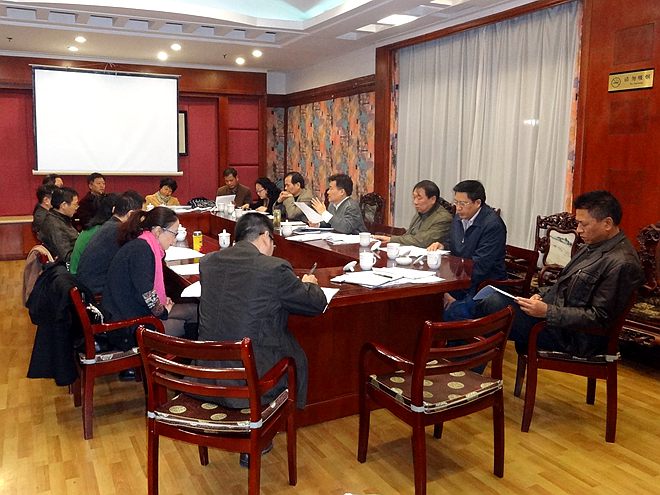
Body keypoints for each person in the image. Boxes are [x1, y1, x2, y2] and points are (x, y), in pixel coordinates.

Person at [476, 190, 645, 358]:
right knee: (489, 298)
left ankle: (467, 366)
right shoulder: (592, 246)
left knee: (492, 305)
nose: (578, 230)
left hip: (576, 337)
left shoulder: (623, 263)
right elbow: (562, 284)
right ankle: (469, 367)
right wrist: (540, 296)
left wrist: (547, 311)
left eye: (583, 224)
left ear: (607, 223)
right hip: (556, 322)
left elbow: (600, 318)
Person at [197, 213, 326, 408]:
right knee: (295, 357)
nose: (273, 248)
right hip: (249, 380)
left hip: (205, 375)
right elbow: (315, 303)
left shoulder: (208, 262)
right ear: (265, 236)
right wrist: (310, 284)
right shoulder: (273, 268)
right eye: (273, 242)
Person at [103, 207, 198, 350]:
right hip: (128, 327)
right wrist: (163, 311)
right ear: (158, 231)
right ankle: (186, 358)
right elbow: (147, 294)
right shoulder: (142, 250)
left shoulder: (141, 244)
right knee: (195, 315)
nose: (173, 241)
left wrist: (161, 302)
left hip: (127, 313)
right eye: (174, 234)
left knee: (193, 310)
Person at [428, 180, 506, 321]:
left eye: (462, 203)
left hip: (482, 286)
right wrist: (443, 246)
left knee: (448, 312)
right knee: (426, 301)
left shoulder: (492, 225)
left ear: (477, 203)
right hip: (460, 280)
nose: (457, 208)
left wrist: (450, 291)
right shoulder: (459, 217)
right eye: (456, 202)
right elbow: (452, 242)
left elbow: (479, 267)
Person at [76, 190, 145, 295]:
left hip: (88, 283)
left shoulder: (110, 225)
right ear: (130, 214)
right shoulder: (120, 231)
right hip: (96, 288)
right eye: (140, 216)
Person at [374, 180, 452, 247]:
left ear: (432, 199)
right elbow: (408, 235)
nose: (415, 202)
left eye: (419, 198)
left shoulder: (443, 218)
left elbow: (422, 241)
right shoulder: (421, 212)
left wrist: (391, 239)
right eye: (414, 197)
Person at [69, 193, 118, 275]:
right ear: (113, 210)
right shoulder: (105, 232)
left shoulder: (92, 228)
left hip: (78, 274)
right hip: (81, 277)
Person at [38, 186, 79, 262]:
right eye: (75, 204)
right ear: (64, 205)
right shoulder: (54, 225)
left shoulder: (60, 218)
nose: (77, 207)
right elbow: (66, 256)